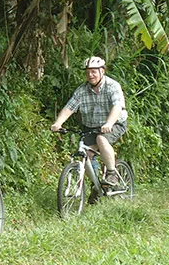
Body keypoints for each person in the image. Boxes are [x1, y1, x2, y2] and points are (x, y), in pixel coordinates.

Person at [50, 56, 128, 188]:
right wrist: (58, 123)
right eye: (87, 72)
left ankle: (112, 173)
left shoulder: (112, 86)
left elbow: (117, 107)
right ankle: (96, 186)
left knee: (101, 139)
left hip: (114, 123)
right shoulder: (82, 90)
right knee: (85, 155)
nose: (90, 75)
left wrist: (109, 123)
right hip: (90, 126)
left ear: (102, 71)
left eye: (94, 71)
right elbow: (70, 107)